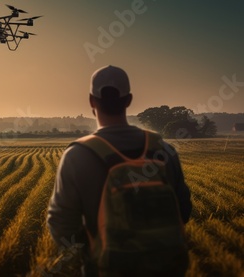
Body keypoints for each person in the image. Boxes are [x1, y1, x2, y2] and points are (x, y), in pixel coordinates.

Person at [46, 65, 192, 276]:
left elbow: (60, 222)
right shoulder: (164, 149)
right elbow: (184, 209)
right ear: (129, 100)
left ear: (91, 101)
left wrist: (89, 256)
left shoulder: (78, 155)